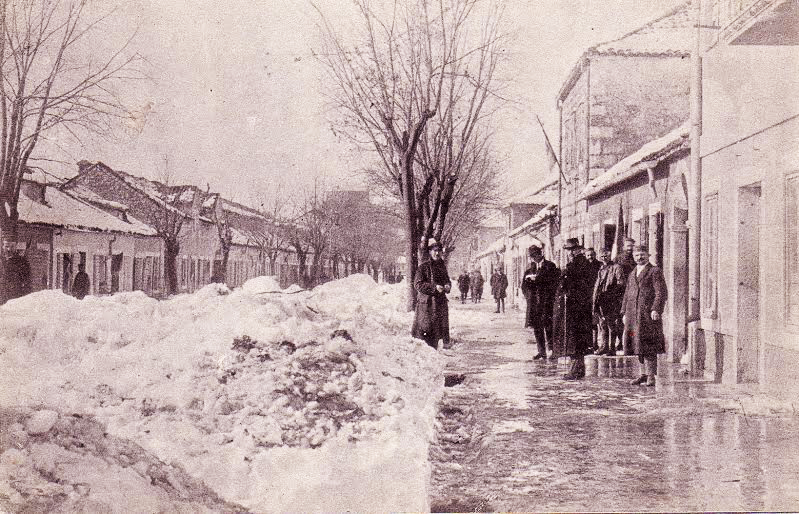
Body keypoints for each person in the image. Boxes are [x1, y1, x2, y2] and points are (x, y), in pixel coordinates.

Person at [622, 245, 667, 387]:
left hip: (647, 315)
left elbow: (661, 292)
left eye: (642, 254)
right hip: (632, 314)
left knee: (648, 345)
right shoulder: (632, 273)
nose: (639, 258)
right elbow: (626, 294)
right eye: (636, 255)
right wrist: (624, 312)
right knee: (637, 345)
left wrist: (656, 309)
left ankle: (651, 376)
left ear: (648, 255)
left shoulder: (655, 271)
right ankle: (643, 374)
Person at [552, 238, 595, 380]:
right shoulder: (574, 263)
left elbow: (581, 286)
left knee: (576, 338)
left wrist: (568, 290)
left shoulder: (580, 264)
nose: (570, 253)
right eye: (568, 250)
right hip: (574, 306)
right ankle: (577, 369)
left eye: (572, 250)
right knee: (574, 338)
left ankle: (576, 370)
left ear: (578, 249)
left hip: (578, 307)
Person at [521, 245, 560, 360]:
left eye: (535, 255)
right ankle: (541, 351)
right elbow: (523, 286)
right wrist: (529, 291)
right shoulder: (529, 269)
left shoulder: (550, 266)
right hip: (534, 304)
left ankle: (553, 351)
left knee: (549, 327)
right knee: (537, 328)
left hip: (547, 302)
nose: (534, 258)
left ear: (540, 254)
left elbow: (554, 283)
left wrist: (538, 280)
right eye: (532, 257)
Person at [412, 240, 452, 349]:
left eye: (439, 251)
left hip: (440, 304)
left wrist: (448, 285)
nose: (437, 253)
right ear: (430, 252)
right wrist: (434, 288)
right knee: (426, 333)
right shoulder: (423, 267)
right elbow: (418, 284)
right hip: (427, 305)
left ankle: (436, 352)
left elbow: (446, 280)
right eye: (435, 251)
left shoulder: (442, 266)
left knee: (438, 332)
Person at [592, 249, 625, 356]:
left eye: (606, 256)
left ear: (610, 256)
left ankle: (612, 347)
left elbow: (621, 283)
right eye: (601, 256)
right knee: (602, 324)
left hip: (611, 301)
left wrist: (611, 294)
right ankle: (604, 346)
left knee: (611, 324)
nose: (604, 258)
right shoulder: (600, 269)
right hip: (600, 300)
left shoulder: (616, 268)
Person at [585, 247, 602, 352]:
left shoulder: (599, 265)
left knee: (597, 321)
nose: (590, 257)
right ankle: (591, 344)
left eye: (592, 255)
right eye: (588, 255)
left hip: (597, 295)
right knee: (589, 322)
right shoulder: (584, 266)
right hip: (587, 296)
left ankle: (596, 343)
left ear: (595, 255)